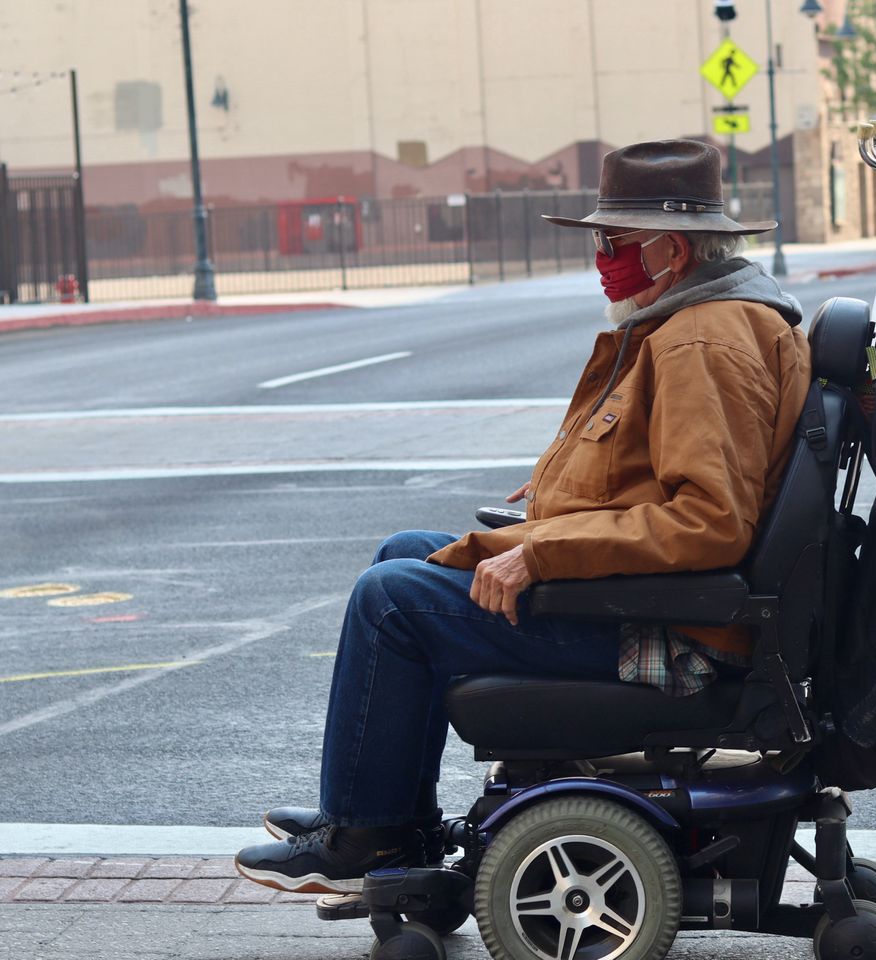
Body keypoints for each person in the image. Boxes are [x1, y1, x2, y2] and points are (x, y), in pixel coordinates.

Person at [234, 139, 812, 894]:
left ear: (671, 249)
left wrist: (541, 553)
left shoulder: (701, 340)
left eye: (614, 241)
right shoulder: (699, 321)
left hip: (678, 636)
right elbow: (664, 477)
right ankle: (385, 821)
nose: (602, 258)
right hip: (665, 605)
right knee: (402, 552)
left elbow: (709, 522)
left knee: (392, 602)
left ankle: (365, 841)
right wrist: (562, 496)